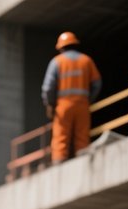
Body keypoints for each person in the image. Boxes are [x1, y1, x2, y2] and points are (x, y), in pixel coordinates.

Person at [41, 31, 102, 164]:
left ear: (61, 47)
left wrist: (50, 105)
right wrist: (89, 99)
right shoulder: (86, 60)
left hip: (63, 105)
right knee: (82, 135)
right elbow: (97, 83)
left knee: (61, 136)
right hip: (82, 104)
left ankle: (59, 162)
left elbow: (48, 88)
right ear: (75, 44)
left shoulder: (57, 62)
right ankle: (82, 159)